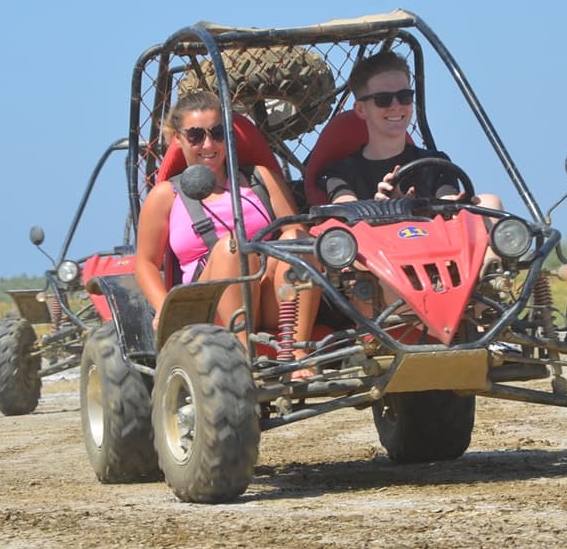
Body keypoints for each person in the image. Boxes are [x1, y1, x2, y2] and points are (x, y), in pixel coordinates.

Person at [135, 90, 320, 378]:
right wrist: (164, 309)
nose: (208, 145)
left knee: (297, 239)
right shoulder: (166, 195)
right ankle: (242, 354)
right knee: (232, 249)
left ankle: (297, 350)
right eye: (196, 136)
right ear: (178, 139)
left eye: (217, 133)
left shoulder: (260, 179)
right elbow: (145, 262)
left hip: (271, 295)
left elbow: (293, 231)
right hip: (208, 303)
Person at [316, 51, 503, 209]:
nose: (396, 106)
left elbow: (448, 200)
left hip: (433, 239)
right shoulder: (341, 172)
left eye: (404, 96)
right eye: (383, 99)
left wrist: (451, 205)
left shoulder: (436, 163)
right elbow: (345, 211)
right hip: (369, 241)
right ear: (361, 110)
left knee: (490, 202)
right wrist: (384, 207)